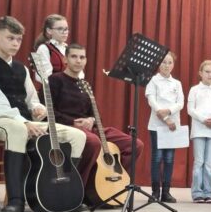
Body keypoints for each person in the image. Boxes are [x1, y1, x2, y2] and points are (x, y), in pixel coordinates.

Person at [0, 16, 86, 212]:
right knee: (17, 130)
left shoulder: (21, 69)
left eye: (19, 39)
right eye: (10, 38)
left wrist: (38, 109)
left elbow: (32, 100)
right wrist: (24, 122)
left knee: (78, 136)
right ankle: (16, 201)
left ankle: (64, 192)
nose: (15, 43)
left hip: (25, 121)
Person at [47, 44, 143, 199]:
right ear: (65, 59)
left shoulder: (85, 84)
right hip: (67, 127)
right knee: (93, 142)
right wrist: (73, 122)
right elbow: (48, 111)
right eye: (74, 56)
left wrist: (91, 119)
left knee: (135, 144)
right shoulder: (55, 80)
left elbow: (96, 115)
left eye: (82, 57)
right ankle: (79, 191)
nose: (78, 60)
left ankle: (108, 184)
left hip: (91, 129)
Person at [145, 52, 184, 203]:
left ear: (173, 65)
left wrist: (168, 112)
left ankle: (166, 192)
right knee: (157, 158)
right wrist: (165, 117)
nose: (167, 65)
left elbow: (180, 103)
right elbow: (152, 101)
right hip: (157, 125)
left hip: (172, 126)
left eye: (170, 62)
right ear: (158, 64)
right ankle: (155, 192)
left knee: (169, 159)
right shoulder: (153, 80)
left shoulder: (177, 83)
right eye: (163, 62)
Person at [188, 60, 211, 203]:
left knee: (210, 164)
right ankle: (197, 192)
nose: (210, 75)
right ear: (200, 73)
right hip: (199, 130)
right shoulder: (194, 90)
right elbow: (191, 110)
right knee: (199, 162)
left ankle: (208, 192)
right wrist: (203, 119)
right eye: (207, 72)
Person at [33, 14, 72, 82]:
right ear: (49, 30)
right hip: (54, 87)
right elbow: (44, 77)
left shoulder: (67, 48)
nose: (65, 32)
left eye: (66, 29)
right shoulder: (43, 48)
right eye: (60, 29)